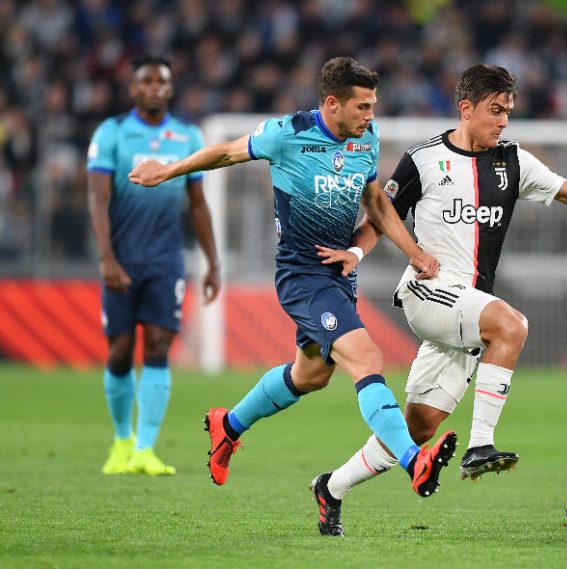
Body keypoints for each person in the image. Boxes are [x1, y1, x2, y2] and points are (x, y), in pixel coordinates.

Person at [310, 63, 567, 535]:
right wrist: (355, 252)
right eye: (495, 111)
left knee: (418, 427)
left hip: (469, 307)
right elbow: (382, 214)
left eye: (508, 112)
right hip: (427, 291)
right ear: (466, 108)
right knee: (511, 325)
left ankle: (331, 487)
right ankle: (481, 444)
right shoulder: (424, 160)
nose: (503, 121)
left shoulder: (514, 162)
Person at [128, 57, 457, 506]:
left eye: (373, 106)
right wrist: (166, 171)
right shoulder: (287, 133)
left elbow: (376, 203)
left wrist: (413, 251)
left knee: (311, 375)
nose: (370, 115)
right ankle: (413, 462)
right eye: (362, 106)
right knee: (367, 358)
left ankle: (229, 425)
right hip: (302, 275)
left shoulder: (367, 138)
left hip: (339, 277)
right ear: (332, 103)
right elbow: (225, 151)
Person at [87, 54, 221, 476]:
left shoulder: (187, 135)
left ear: (170, 89)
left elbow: (198, 204)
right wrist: (106, 257)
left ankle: (145, 449)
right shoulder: (112, 132)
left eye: (160, 82)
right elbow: (98, 198)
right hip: (122, 258)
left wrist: (213, 263)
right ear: (133, 89)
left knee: (160, 346)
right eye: (145, 81)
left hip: (166, 260)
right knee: (120, 351)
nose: (153, 88)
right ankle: (121, 442)